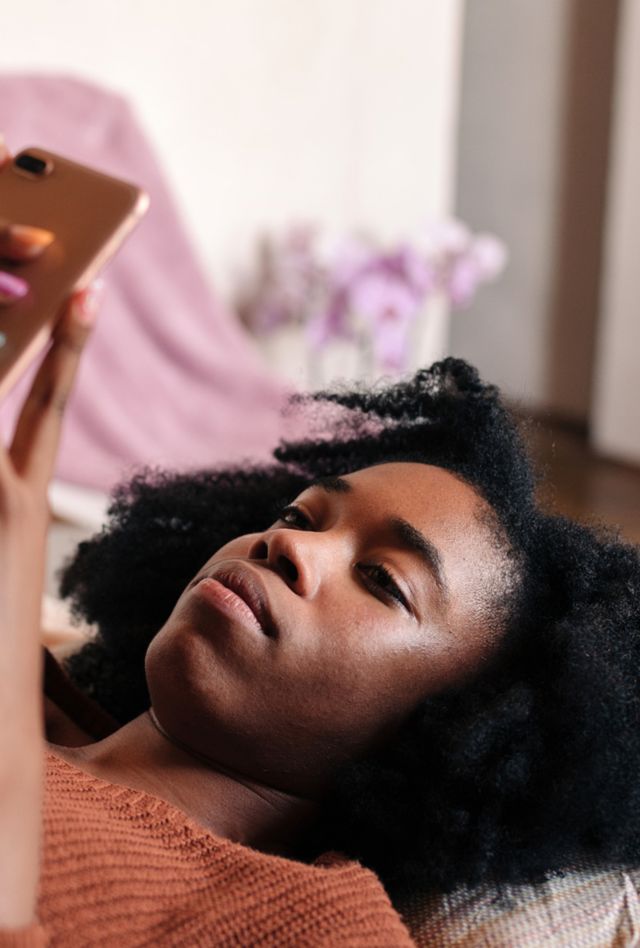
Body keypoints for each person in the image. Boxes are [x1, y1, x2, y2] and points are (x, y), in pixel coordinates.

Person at [1, 136, 639, 945]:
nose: (288, 548)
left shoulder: (313, 924)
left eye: (381, 580)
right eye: (299, 516)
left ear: (450, 725)